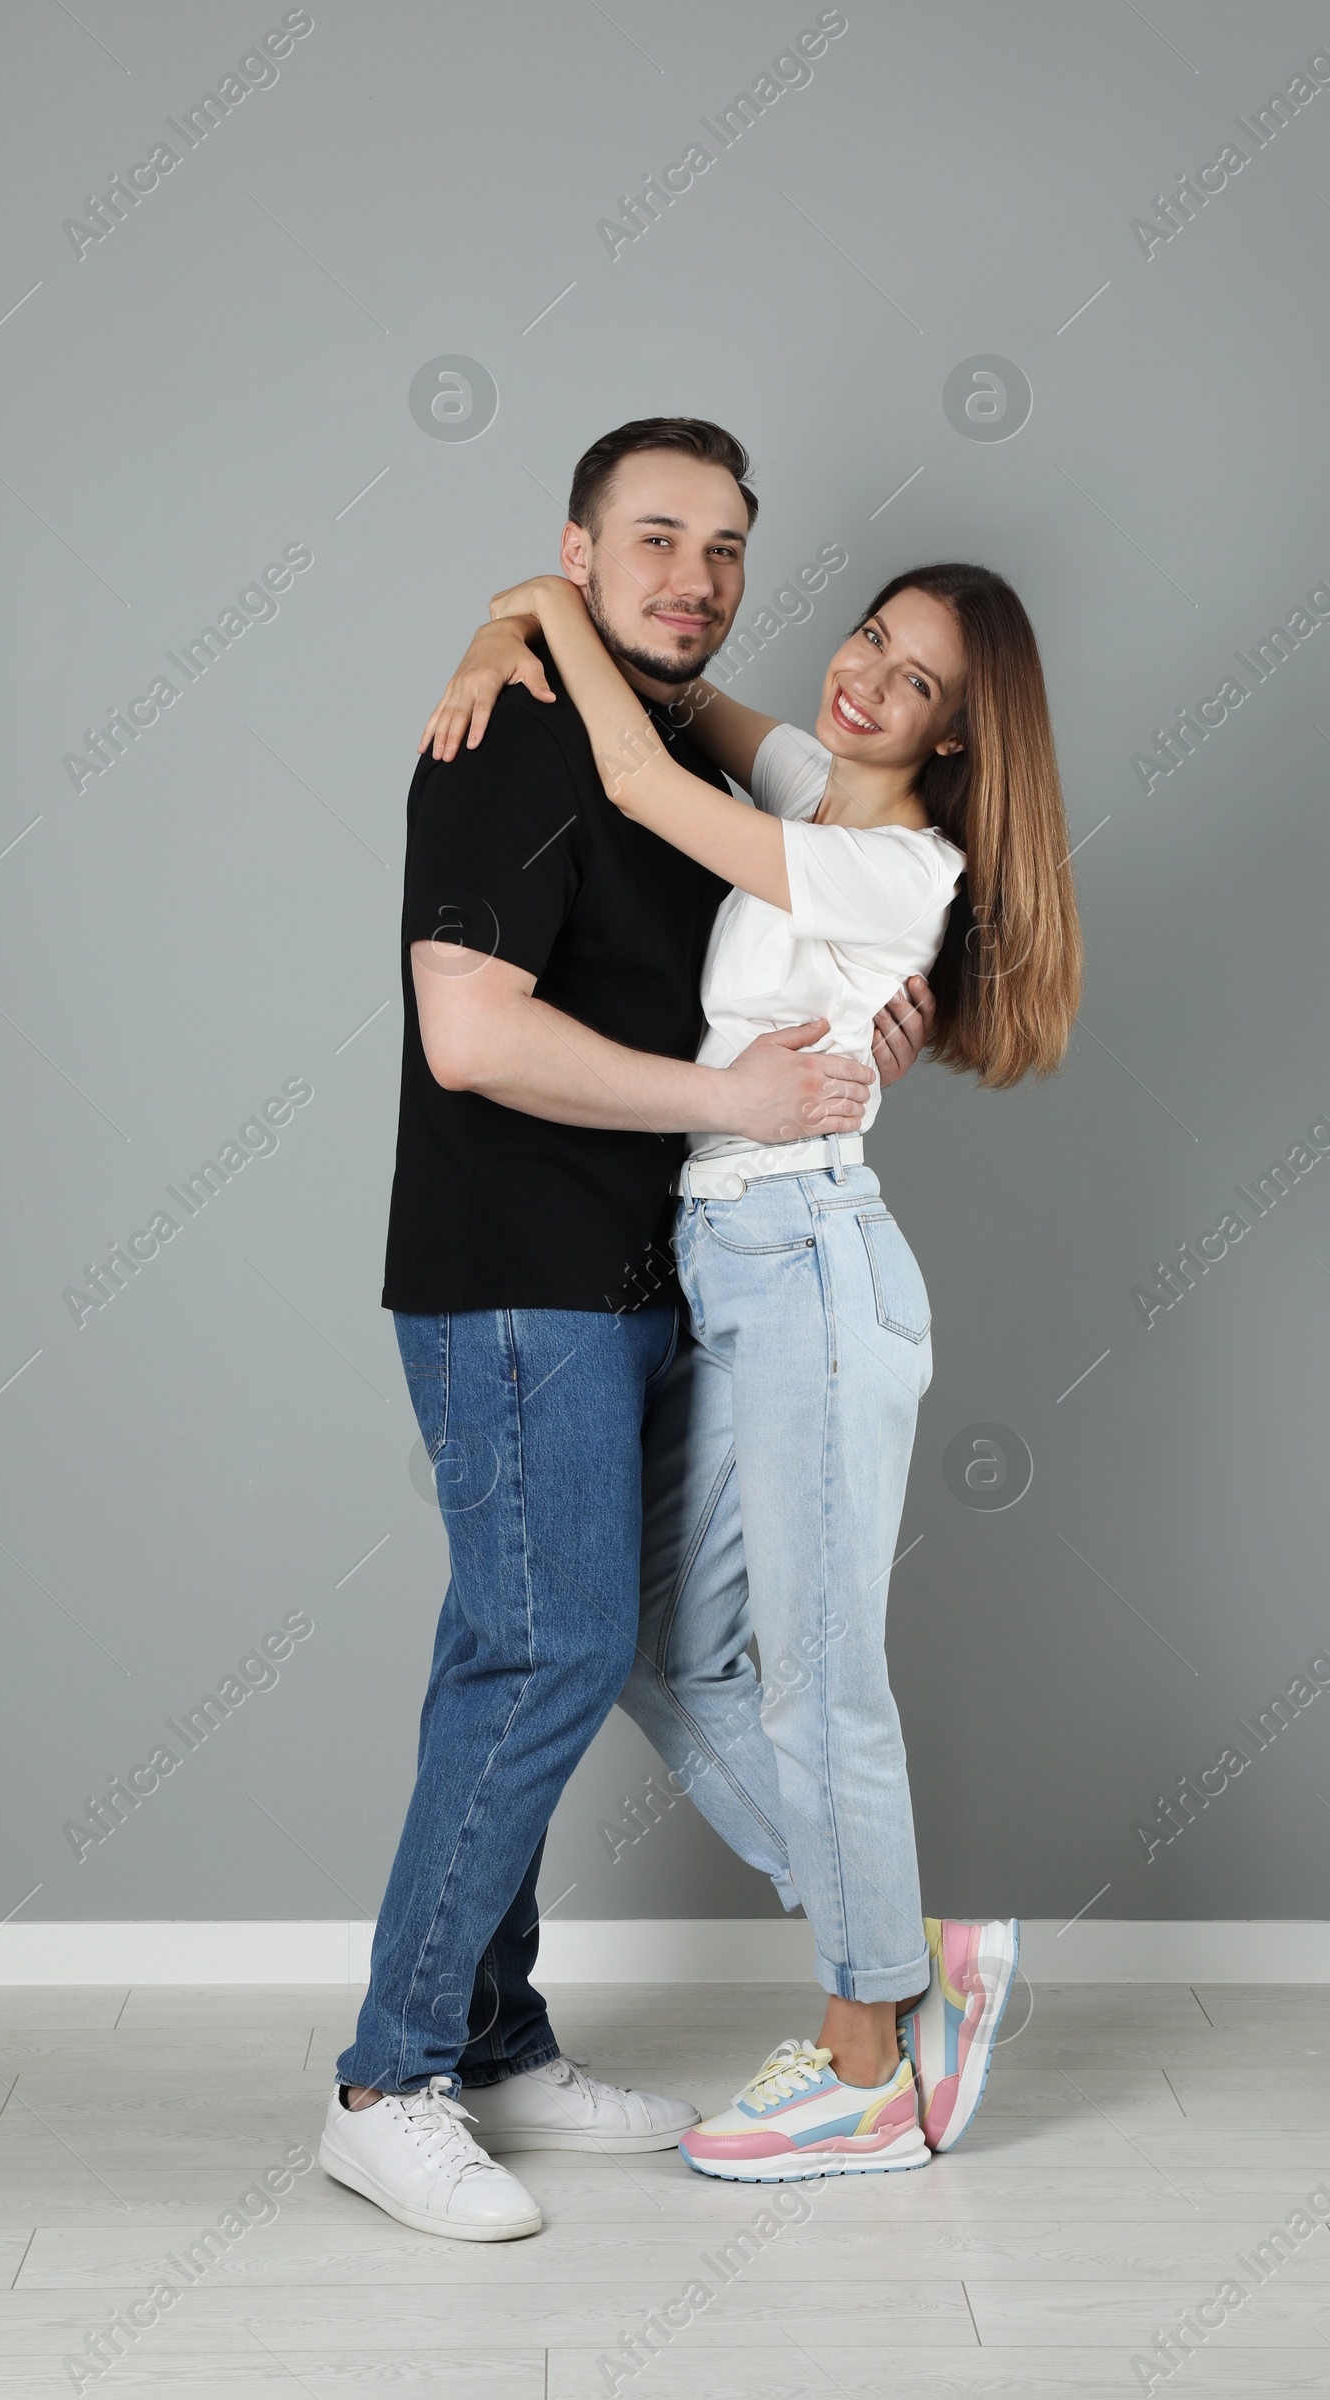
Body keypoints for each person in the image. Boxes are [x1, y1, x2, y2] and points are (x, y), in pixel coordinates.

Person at [320, 418, 937, 2242]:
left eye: (728, 549)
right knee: (550, 1654)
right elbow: (473, 1038)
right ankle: (389, 2081)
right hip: (518, 1280)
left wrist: (850, 1038)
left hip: (654, 1276)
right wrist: (727, 1104)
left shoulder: (658, 741)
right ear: (579, 552)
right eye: (653, 539)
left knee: (523, 1649)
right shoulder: (512, 738)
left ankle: (496, 2040)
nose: (697, 577)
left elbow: (786, 941)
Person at [422, 549, 1082, 2178]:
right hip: (732, 1261)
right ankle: (916, 1956)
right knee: (658, 1648)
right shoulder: (821, 789)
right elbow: (686, 697)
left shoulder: (893, 867)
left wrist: (535, 610)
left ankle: (870, 2061)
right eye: (869, 639)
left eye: (913, 682)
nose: (862, 679)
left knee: (819, 1678)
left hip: (808, 1265)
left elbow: (644, 771)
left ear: (953, 743)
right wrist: (495, 626)